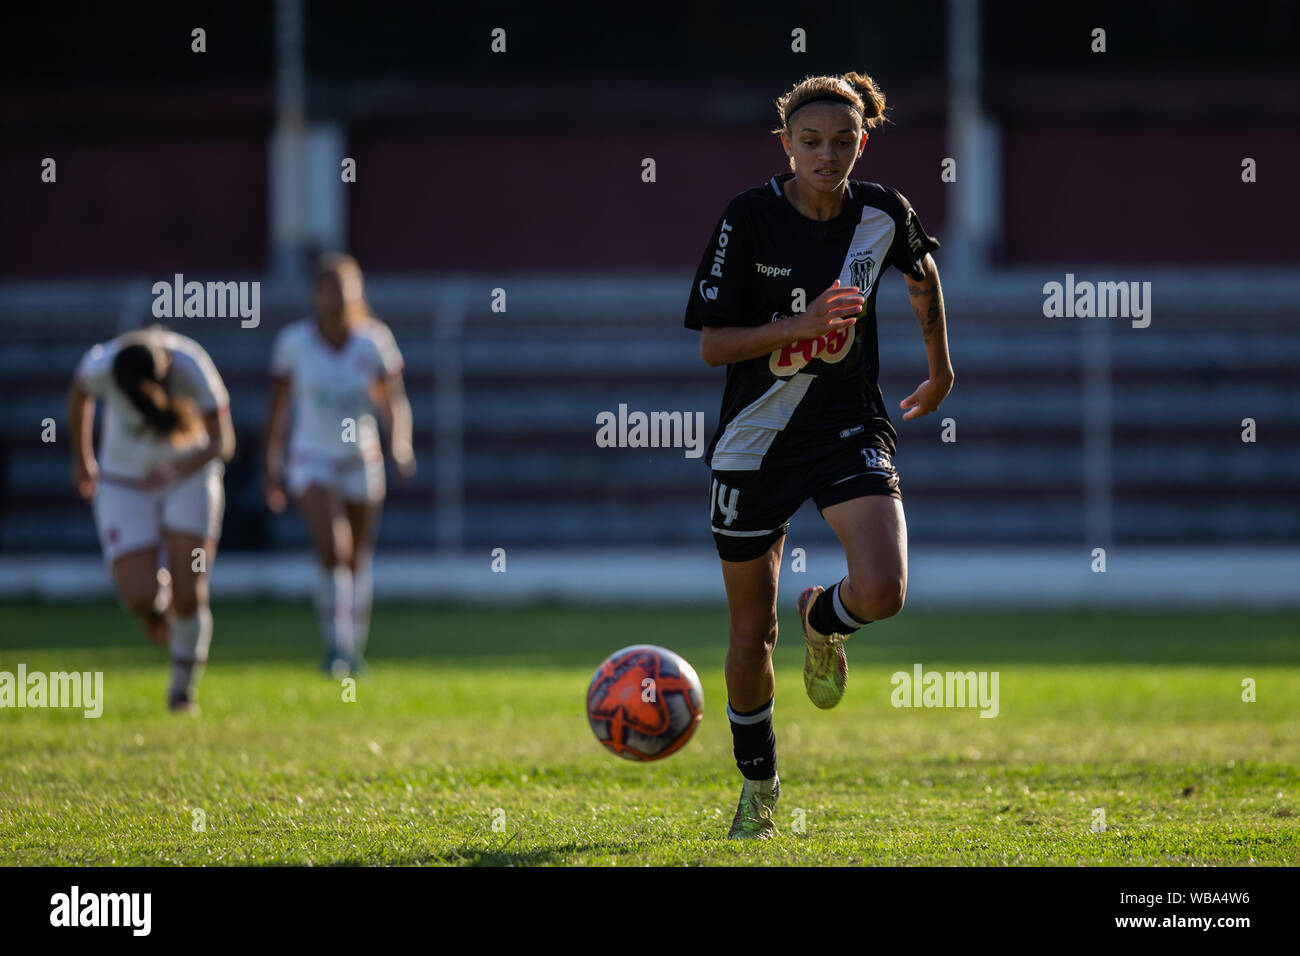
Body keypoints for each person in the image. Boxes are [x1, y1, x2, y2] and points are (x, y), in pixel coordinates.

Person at [683, 72, 955, 838]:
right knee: (750, 634)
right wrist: (798, 325)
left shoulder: (882, 213)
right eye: (810, 142)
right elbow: (712, 345)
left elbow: (924, 277)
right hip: (754, 441)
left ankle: (826, 616)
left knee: (885, 589)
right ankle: (759, 788)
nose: (826, 155)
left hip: (847, 426)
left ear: (861, 142)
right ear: (786, 145)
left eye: (842, 142)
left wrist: (940, 368)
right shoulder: (749, 219)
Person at [68, 325, 235, 713]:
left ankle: (182, 691)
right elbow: (79, 396)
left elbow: (222, 442)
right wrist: (83, 459)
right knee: (138, 595)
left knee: (189, 588)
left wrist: (177, 470)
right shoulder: (101, 365)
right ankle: (158, 606)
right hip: (123, 483)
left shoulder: (193, 367)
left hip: (188, 480)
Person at [263, 253, 415, 677]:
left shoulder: (373, 341)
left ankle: (353, 649)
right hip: (312, 458)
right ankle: (335, 645)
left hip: (360, 457)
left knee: (357, 559)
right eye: (328, 291)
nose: (336, 301)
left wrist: (400, 443)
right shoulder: (295, 343)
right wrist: (271, 467)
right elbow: (277, 410)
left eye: (344, 292)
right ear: (315, 294)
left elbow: (394, 401)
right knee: (333, 548)